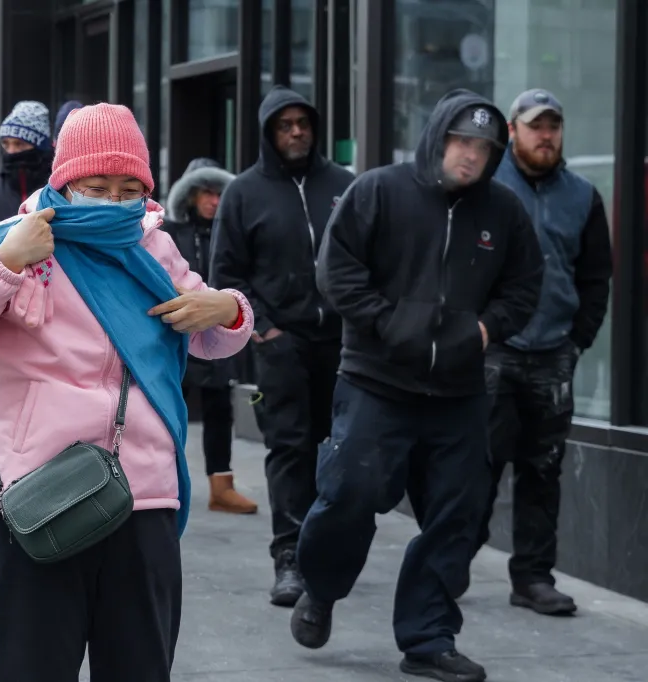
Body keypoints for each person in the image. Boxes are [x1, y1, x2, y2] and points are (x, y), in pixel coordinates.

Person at [0, 103, 253, 682]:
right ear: (64, 181)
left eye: (129, 188)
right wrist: (5, 263)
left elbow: (213, 342)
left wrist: (230, 308)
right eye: (96, 186)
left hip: (143, 499)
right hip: (38, 499)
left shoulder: (153, 248)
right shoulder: (4, 241)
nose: (114, 201)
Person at [288, 89, 543, 682]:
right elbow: (336, 268)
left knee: (458, 515)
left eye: (483, 147)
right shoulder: (380, 190)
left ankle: (429, 637)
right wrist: (385, 322)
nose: (470, 156)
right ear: (437, 138)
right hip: (376, 379)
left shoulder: (503, 212)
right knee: (349, 495)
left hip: (458, 392)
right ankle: (321, 588)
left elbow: (525, 285)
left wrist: (485, 331)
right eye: (461, 142)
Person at [210, 84, 355, 606]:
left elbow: (368, 258)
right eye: (284, 125)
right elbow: (226, 275)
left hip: (343, 345)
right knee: (290, 450)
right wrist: (265, 332)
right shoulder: (244, 193)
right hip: (281, 345)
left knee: (340, 450)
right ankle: (289, 558)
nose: (296, 133)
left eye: (303, 123)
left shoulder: (344, 185)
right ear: (269, 133)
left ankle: (329, 552)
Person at [477, 89, 612, 616]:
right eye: (536, 126)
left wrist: (577, 340)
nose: (546, 135)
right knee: (478, 466)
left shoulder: (583, 196)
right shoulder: (487, 188)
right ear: (512, 131)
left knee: (543, 469)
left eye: (553, 126)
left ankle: (533, 577)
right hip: (495, 350)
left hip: (554, 351)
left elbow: (596, 276)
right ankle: (450, 562)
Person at [164, 157, 256, 514]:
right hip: (178, 332)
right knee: (169, 409)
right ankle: (164, 481)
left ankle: (222, 485)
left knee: (220, 409)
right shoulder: (170, 233)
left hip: (218, 331)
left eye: (220, 193)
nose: (214, 200)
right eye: (207, 192)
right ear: (190, 195)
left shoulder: (232, 230)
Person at [0, 101, 54, 230]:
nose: (11, 151)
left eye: (19, 144)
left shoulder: (58, 191)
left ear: (40, 146)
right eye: (6, 144)